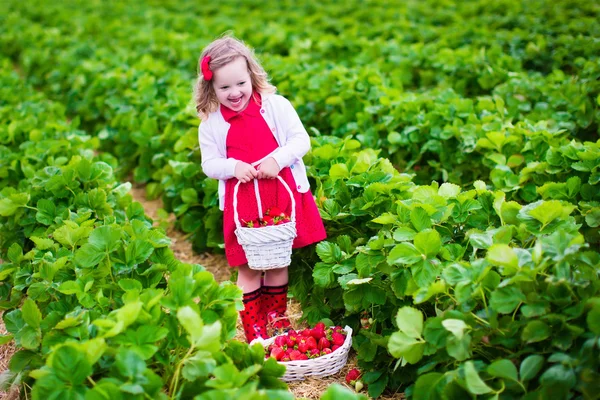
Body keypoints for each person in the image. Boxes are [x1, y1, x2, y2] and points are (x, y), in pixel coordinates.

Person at [194, 36, 327, 343]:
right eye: (224, 88)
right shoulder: (211, 124)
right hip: (244, 207)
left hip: (280, 195)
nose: (235, 93)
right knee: (248, 267)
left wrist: (277, 159)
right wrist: (233, 167)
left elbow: (300, 141)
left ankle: (277, 321)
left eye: (240, 83)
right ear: (210, 88)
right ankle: (255, 330)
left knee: (278, 261)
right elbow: (210, 164)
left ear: (252, 76)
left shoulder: (276, 107)